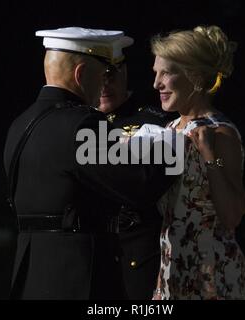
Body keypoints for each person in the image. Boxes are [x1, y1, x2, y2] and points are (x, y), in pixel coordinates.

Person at [3, 27, 174, 300]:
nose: (105, 84)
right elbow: (142, 185)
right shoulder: (82, 125)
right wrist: (170, 143)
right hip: (78, 279)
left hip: (31, 277)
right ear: (81, 75)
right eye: (103, 74)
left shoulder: (21, 124)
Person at [148, 25, 245, 300]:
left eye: (166, 73)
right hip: (171, 269)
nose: (156, 83)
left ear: (194, 77)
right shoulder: (168, 129)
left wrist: (208, 156)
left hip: (212, 275)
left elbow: (232, 215)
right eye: (156, 73)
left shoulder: (220, 132)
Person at [98, 56, 176, 299]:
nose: (104, 86)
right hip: (88, 254)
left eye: (111, 76)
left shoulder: (155, 121)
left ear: (125, 71)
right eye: (98, 77)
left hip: (138, 255)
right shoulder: (76, 122)